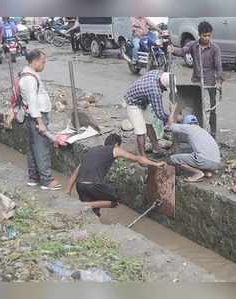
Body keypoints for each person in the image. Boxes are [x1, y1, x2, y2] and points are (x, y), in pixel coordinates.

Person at [65, 133, 165, 217]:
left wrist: (68, 191)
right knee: (114, 201)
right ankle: (87, 205)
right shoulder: (114, 149)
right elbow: (138, 158)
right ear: (117, 144)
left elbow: (75, 173)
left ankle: (90, 212)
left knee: (93, 212)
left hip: (80, 185)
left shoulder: (90, 151)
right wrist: (156, 164)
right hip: (93, 184)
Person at [168, 21, 224, 139]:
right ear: (199, 35)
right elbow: (182, 51)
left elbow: (219, 67)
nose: (207, 38)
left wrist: (219, 82)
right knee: (197, 107)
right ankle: (198, 131)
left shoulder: (215, 48)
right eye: (204, 36)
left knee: (211, 108)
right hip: (197, 81)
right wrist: (173, 49)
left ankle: (212, 133)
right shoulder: (193, 45)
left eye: (209, 35)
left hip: (211, 83)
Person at [19, 49, 62, 190]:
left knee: (33, 149)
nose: (44, 65)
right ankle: (46, 180)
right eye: (43, 62)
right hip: (36, 117)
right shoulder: (29, 79)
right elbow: (32, 102)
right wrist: (41, 123)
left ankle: (34, 178)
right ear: (36, 61)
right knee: (41, 149)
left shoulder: (28, 75)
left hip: (32, 117)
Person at [125, 70, 174, 156]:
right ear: (162, 85)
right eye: (165, 89)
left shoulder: (158, 73)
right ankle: (142, 156)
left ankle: (156, 147)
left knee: (149, 124)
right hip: (132, 103)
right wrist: (170, 119)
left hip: (143, 101)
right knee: (141, 131)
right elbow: (159, 114)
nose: (165, 91)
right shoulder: (155, 91)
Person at [167, 105, 221, 183]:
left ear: (186, 123)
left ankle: (198, 173)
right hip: (216, 163)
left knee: (173, 159)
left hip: (204, 161)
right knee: (197, 156)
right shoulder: (202, 130)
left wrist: (172, 111)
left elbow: (170, 126)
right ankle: (207, 172)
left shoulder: (188, 127)